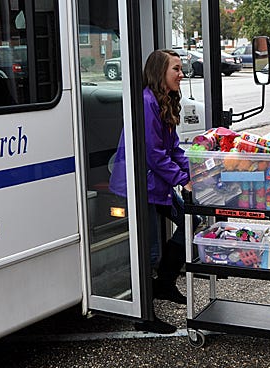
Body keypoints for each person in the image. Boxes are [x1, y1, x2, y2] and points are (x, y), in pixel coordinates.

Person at [109, 49, 201, 334]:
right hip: (138, 186)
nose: (182, 74)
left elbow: (172, 149)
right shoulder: (147, 102)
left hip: (155, 184)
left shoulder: (166, 101)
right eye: (176, 69)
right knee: (148, 251)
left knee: (191, 220)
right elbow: (154, 154)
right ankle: (143, 315)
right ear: (161, 72)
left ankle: (165, 283)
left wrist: (197, 170)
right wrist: (182, 180)